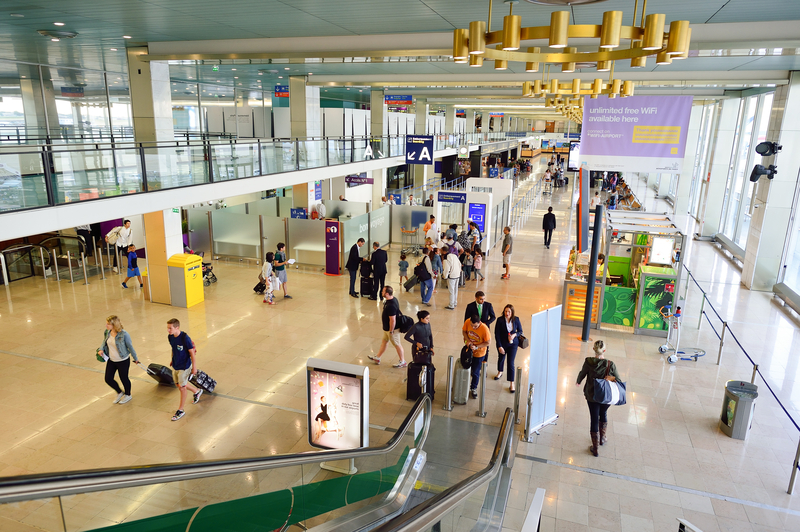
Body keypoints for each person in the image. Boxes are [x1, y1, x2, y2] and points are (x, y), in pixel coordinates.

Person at [576, 340, 622, 456]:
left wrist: (578, 381)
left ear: (594, 350)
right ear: (604, 350)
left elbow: (583, 373)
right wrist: (610, 378)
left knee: (594, 418)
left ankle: (595, 448)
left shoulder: (588, 361)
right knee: (603, 414)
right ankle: (602, 438)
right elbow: (619, 381)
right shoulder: (610, 364)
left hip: (592, 395)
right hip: (606, 396)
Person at [97, 315, 141, 405]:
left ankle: (128, 394)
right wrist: (101, 349)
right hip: (112, 360)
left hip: (123, 360)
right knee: (108, 378)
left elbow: (130, 347)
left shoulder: (124, 334)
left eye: (108, 324)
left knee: (124, 378)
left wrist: (135, 358)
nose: (106, 326)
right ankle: (119, 392)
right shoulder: (107, 332)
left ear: (114, 324)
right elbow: (104, 341)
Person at [166, 318, 203, 421]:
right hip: (176, 365)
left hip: (184, 366)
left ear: (177, 327)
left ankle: (180, 410)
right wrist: (172, 359)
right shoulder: (170, 337)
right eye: (168, 328)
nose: (168, 331)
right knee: (179, 384)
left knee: (182, 387)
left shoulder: (185, 338)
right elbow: (173, 348)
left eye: (170, 328)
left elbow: (192, 353)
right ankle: (197, 391)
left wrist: (194, 367)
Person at [368, 286, 407, 368]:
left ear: (387, 293)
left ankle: (402, 361)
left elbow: (393, 320)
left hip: (392, 329)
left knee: (397, 344)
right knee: (384, 341)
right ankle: (378, 357)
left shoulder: (391, 305)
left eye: (383, 291)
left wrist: (391, 331)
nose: (381, 292)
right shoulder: (392, 299)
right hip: (387, 328)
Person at [495, 304, 523, 393]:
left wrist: (515, 334)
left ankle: (512, 383)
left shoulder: (516, 319)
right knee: (501, 358)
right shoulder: (500, 320)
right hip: (503, 343)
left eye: (509, 312)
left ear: (512, 313)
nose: (507, 313)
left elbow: (520, 331)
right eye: (506, 311)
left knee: (511, 363)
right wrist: (499, 346)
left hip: (513, 344)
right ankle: (500, 371)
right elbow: (497, 334)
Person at [462, 314, 491, 399]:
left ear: (479, 323)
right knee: (465, 367)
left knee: (475, 371)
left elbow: (488, 342)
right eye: (471, 325)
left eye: (475, 326)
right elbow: (464, 331)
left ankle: (473, 388)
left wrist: (477, 347)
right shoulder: (468, 322)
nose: (473, 328)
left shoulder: (484, 329)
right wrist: (467, 340)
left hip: (479, 353)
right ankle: (463, 385)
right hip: (469, 350)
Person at [441, 244, 462, 310]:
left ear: (443, 251)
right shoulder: (454, 255)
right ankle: (455, 302)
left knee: (451, 291)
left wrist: (445, 276)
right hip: (457, 275)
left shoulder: (446, 257)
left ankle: (451, 305)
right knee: (455, 290)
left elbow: (446, 268)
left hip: (451, 276)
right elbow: (459, 264)